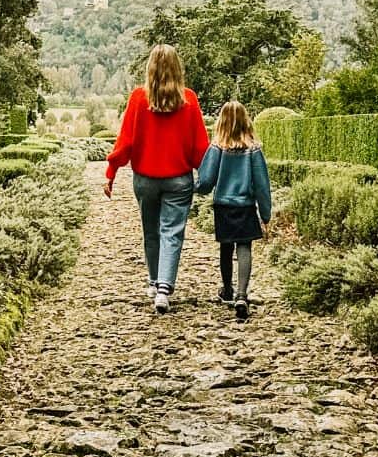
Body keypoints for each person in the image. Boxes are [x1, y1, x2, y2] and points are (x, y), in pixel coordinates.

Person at [104, 44, 209, 314]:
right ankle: (164, 288)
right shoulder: (189, 99)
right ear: (177, 68)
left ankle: (154, 281)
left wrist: (111, 172)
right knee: (171, 233)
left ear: (150, 68)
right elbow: (200, 147)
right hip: (179, 180)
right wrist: (209, 176)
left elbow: (125, 142)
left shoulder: (138, 98)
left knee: (150, 232)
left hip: (145, 179)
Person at [195, 100, 272, 321]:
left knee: (226, 247)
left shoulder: (217, 147)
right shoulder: (254, 149)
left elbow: (206, 180)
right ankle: (242, 295)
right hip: (245, 205)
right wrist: (265, 214)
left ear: (221, 121)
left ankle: (227, 289)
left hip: (223, 205)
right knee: (245, 247)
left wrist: (194, 188)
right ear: (246, 120)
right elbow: (262, 185)